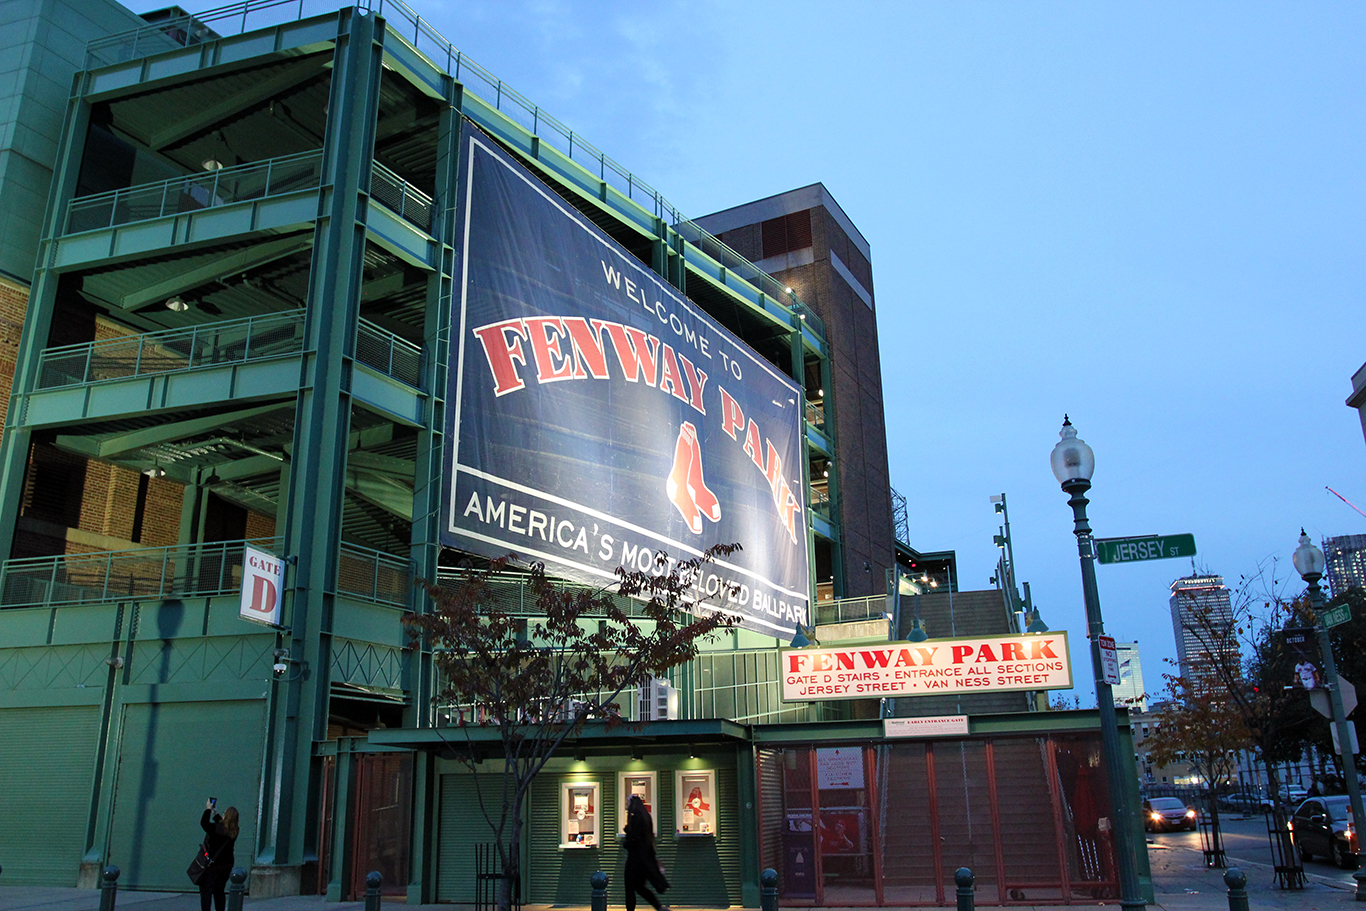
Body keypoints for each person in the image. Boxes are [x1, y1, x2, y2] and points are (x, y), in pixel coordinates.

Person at [623, 795, 668, 911]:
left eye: (627, 802)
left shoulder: (635, 816)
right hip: (644, 858)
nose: (626, 805)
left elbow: (635, 838)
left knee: (630, 887)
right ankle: (658, 906)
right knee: (639, 886)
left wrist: (627, 841)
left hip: (635, 858)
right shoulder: (646, 816)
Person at [198, 799, 239, 911]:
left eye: (225, 813)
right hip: (226, 865)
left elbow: (204, 823)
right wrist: (216, 814)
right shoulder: (235, 831)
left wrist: (208, 809)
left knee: (206, 891)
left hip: (213, 865)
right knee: (219, 891)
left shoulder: (217, 830)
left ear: (227, 816)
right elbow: (224, 826)